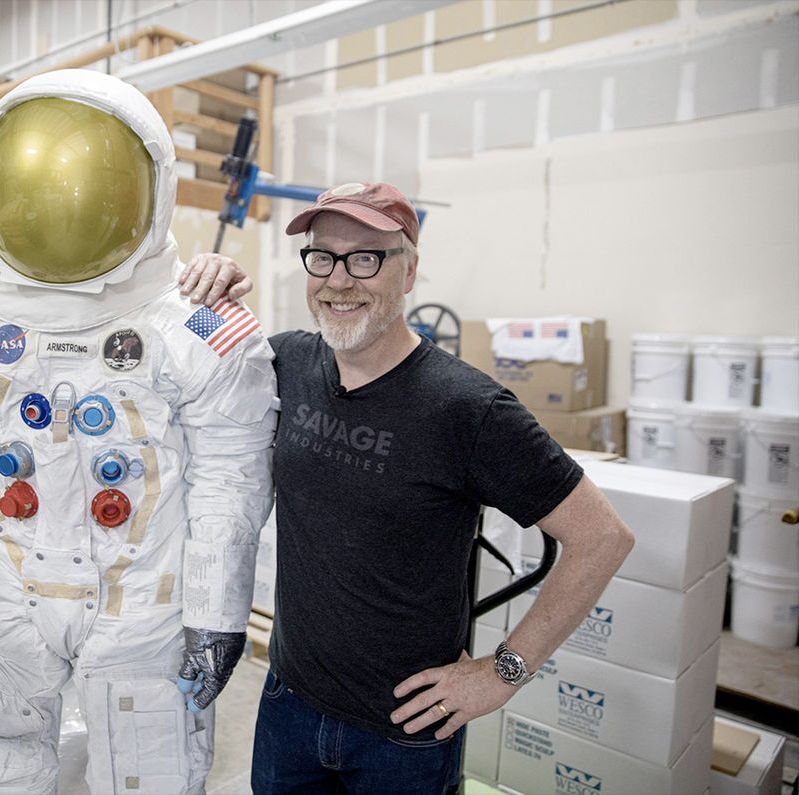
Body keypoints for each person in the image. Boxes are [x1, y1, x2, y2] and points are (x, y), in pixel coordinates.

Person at [0, 69, 278, 794]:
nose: (61, 207)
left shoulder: (199, 325)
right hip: (5, 592)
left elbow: (232, 483)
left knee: (146, 770)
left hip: (142, 602)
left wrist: (216, 614)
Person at [180, 182, 635, 794]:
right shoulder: (284, 361)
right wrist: (207, 280)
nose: (340, 280)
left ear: (410, 270)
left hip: (403, 735)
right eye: (323, 256)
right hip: (289, 706)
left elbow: (603, 538)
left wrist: (502, 673)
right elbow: (189, 334)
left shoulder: (468, 410)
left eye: (366, 258)